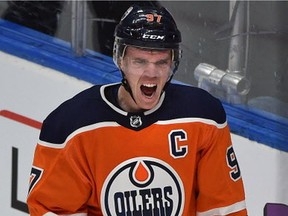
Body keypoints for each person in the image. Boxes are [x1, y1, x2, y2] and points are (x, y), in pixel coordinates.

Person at [27, 4, 248, 216]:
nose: (151, 73)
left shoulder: (203, 117)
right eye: (140, 61)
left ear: (173, 63)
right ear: (120, 60)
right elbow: (54, 210)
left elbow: (224, 208)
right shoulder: (71, 126)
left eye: (161, 62)